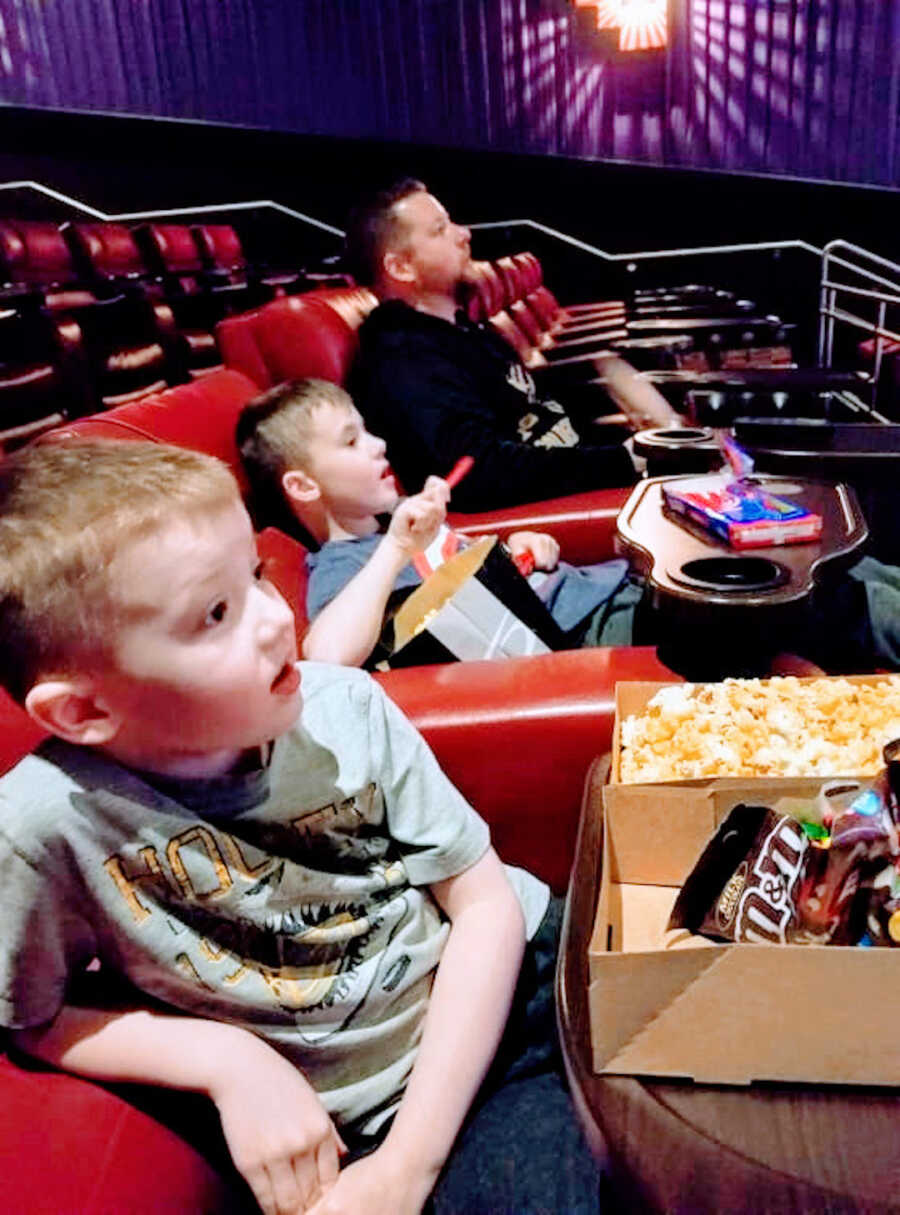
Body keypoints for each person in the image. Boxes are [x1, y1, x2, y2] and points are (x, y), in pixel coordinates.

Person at [0, 438, 606, 1215]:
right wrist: (224, 1058)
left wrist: (404, 1169)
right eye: (215, 613)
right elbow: (32, 1018)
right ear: (83, 710)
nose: (275, 619)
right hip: (341, 1117)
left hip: (498, 1009)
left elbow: (484, 905)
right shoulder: (42, 824)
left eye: (254, 576)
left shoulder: (346, 707)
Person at [237, 378, 648, 667]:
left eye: (367, 432)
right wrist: (396, 548)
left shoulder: (397, 525)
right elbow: (327, 654)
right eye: (351, 441)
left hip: (603, 592)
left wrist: (519, 544)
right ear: (304, 486)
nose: (378, 446)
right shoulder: (345, 564)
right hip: (588, 632)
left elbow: (478, 571)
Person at [345, 177, 680, 512]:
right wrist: (624, 460)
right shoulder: (404, 358)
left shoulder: (462, 330)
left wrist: (625, 408)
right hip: (545, 520)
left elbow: (529, 404)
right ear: (401, 267)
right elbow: (477, 473)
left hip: (576, 476)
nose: (464, 234)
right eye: (440, 230)